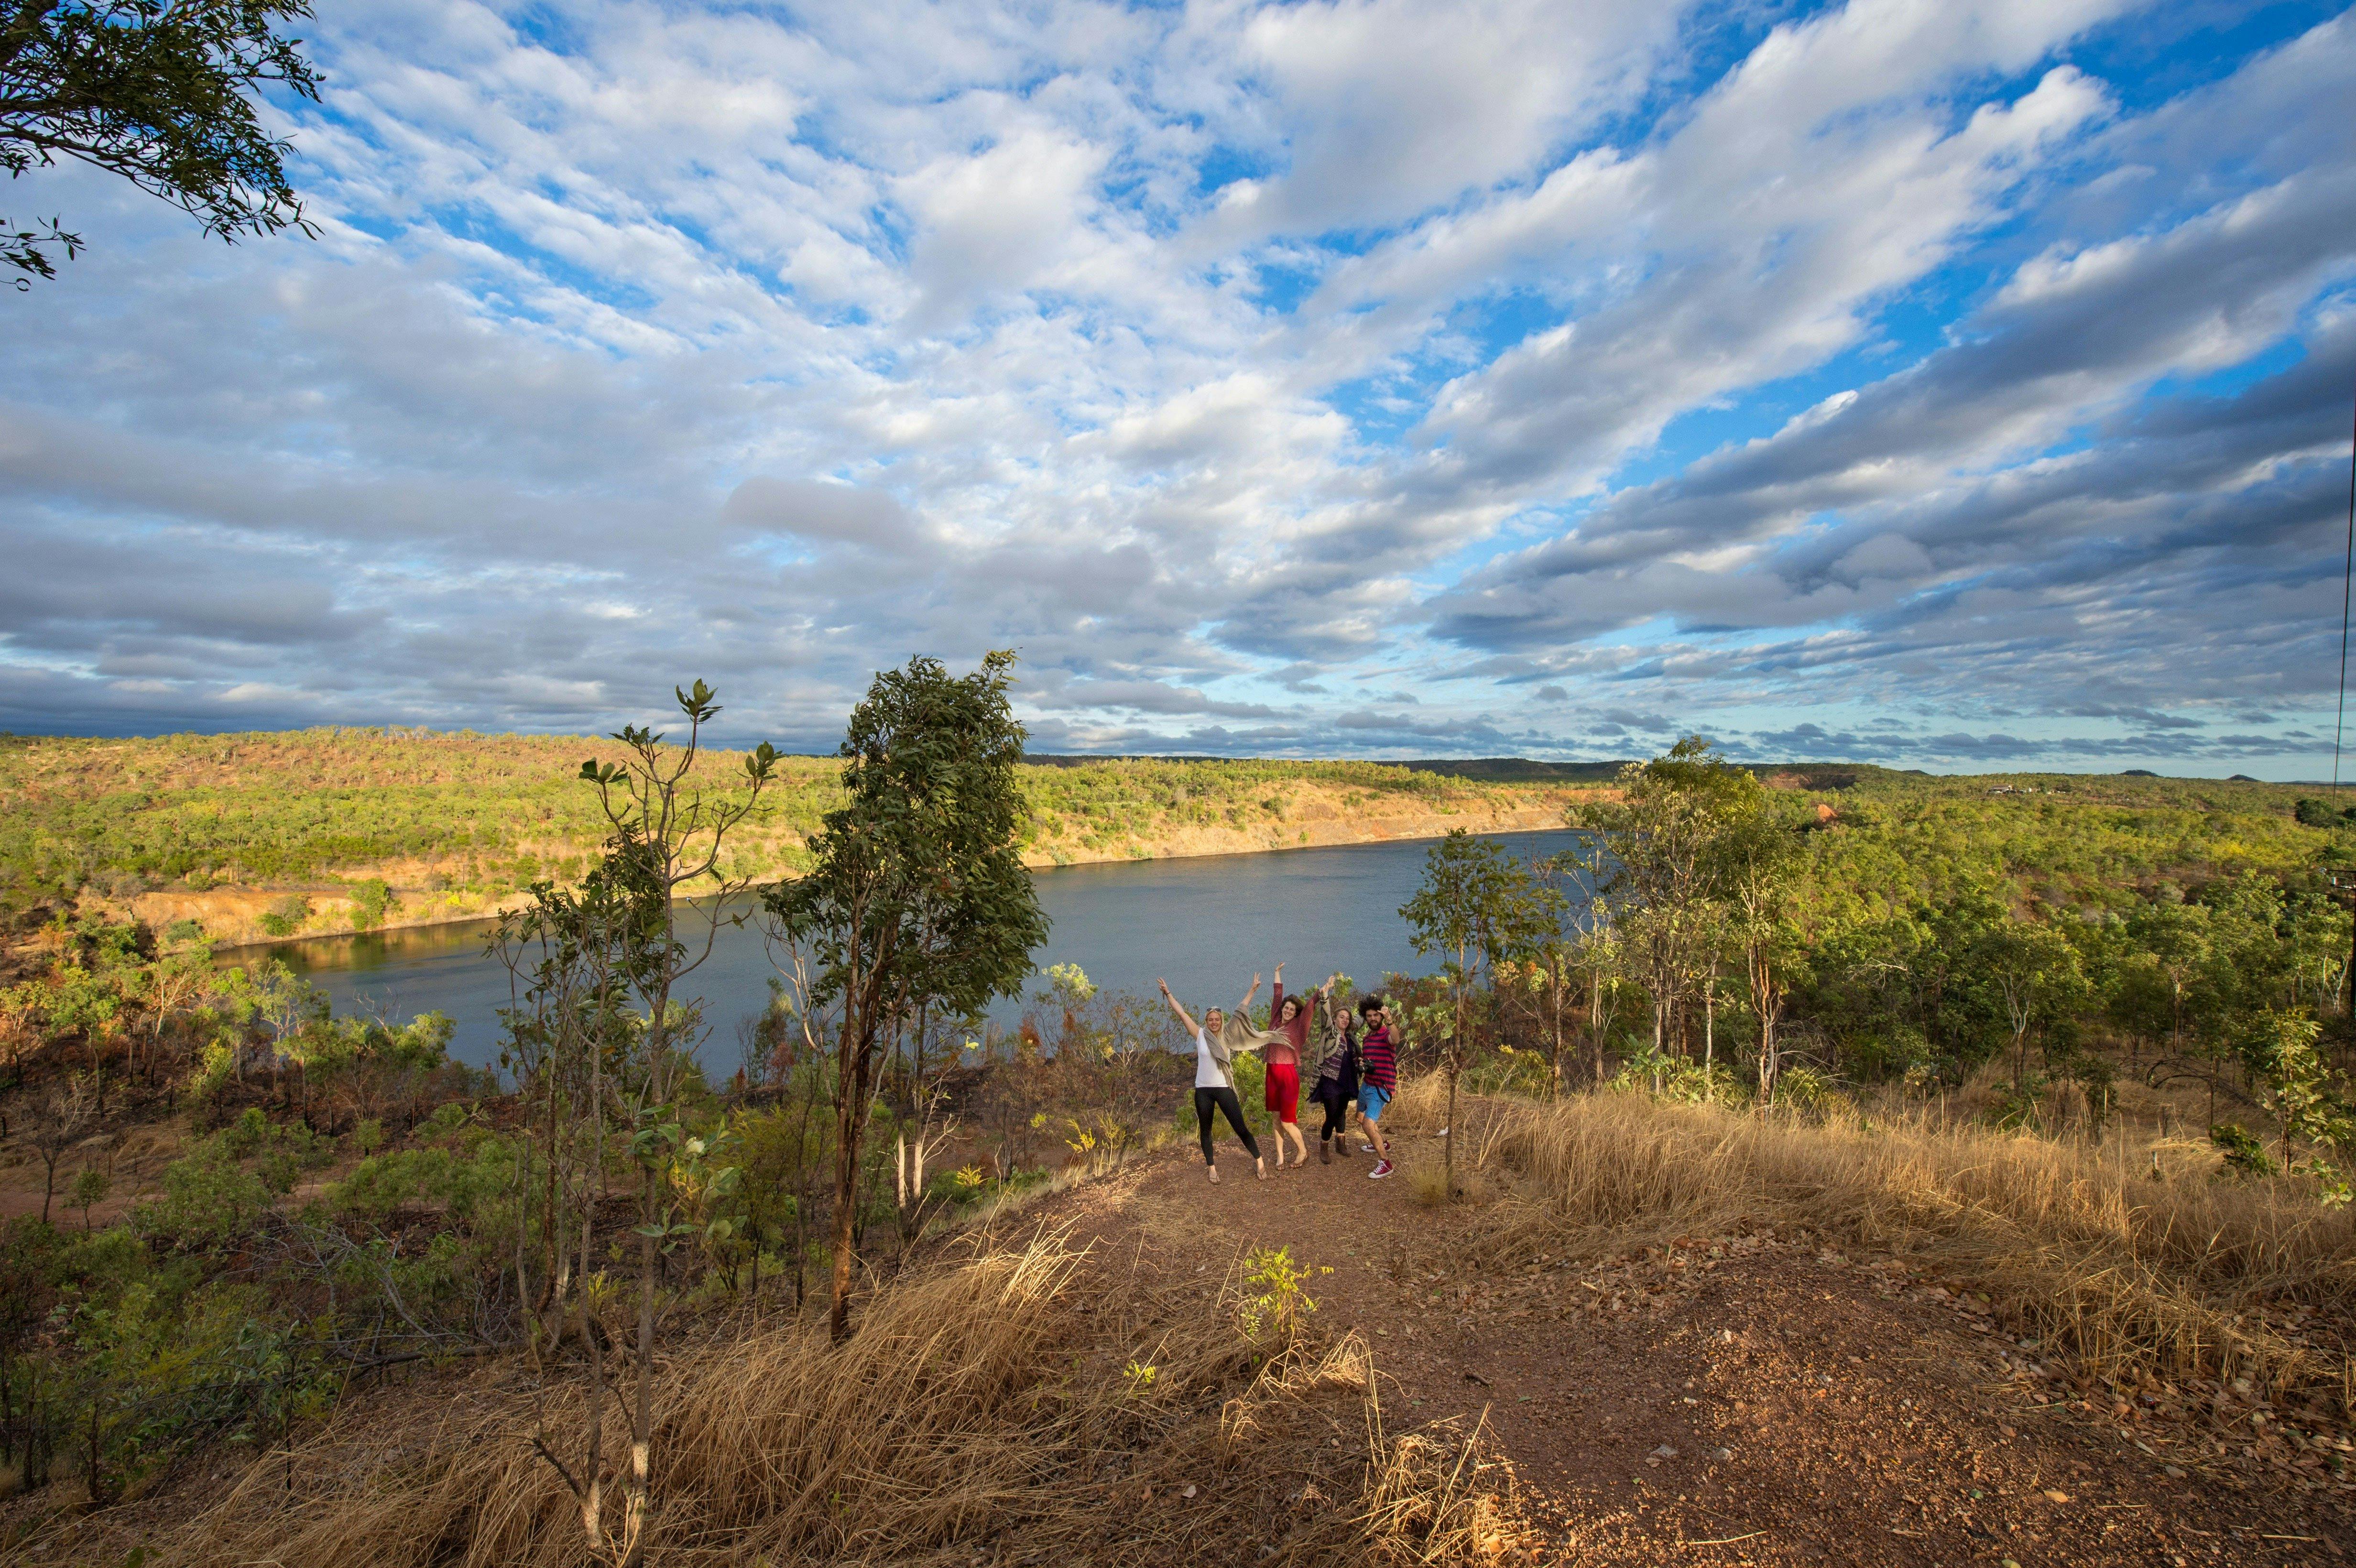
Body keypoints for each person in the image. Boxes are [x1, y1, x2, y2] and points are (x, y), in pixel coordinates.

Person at [1158, 976, 1267, 1184]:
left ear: (1221, 1020)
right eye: (1211, 1020)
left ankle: (1260, 1160)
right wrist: (1168, 993)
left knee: (1241, 1127)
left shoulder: (1227, 1035)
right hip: (1203, 1091)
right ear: (1206, 1021)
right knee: (1206, 1131)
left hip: (1223, 1089)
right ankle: (1212, 1168)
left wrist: (1253, 989)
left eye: (1217, 1019)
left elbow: (1241, 1010)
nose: (1214, 1022)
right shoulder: (1200, 1034)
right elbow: (1181, 1014)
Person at [1261, 963, 1336, 1170]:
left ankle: (1303, 1151)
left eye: (1292, 1010)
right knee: (1276, 1118)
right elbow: (1278, 996)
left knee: (1286, 1121)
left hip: (1287, 1076)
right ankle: (1280, 1157)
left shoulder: (1300, 1027)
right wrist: (1277, 973)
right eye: (1286, 1008)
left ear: (1296, 1014)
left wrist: (1325, 989)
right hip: (1271, 1073)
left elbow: (1312, 1004)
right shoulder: (1276, 1019)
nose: (1287, 1011)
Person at [1310, 997, 1361, 1164]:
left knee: (1342, 1113)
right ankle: (1324, 1146)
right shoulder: (1331, 1033)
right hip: (1330, 1080)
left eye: (1347, 1018)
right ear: (1335, 1019)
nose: (1345, 1020)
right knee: (1331, 1115)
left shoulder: (1351, 1037)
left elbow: (1361, 1020)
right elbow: (1324, 1016)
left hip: (1347, 1080)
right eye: (1341, 1017)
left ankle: (1341, 1144)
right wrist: (1324, 997)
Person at [1355, 995, 1398, 1179]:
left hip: (1381, 1087)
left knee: (1368, 1124)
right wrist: (1363, 1063)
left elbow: (1395, 1039)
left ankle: (1385, 1163)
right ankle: (1382, 1142)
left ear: (1380, 1016)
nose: (1373, 1019)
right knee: (1360, 1118)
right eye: (1369, 1016)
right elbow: (1369, 1059)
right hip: (1367, 1084)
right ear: (1366, 1018)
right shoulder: (1367, 1038)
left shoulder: (1385, 1034)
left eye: (1376, 1015)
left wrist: (1390, 1020)